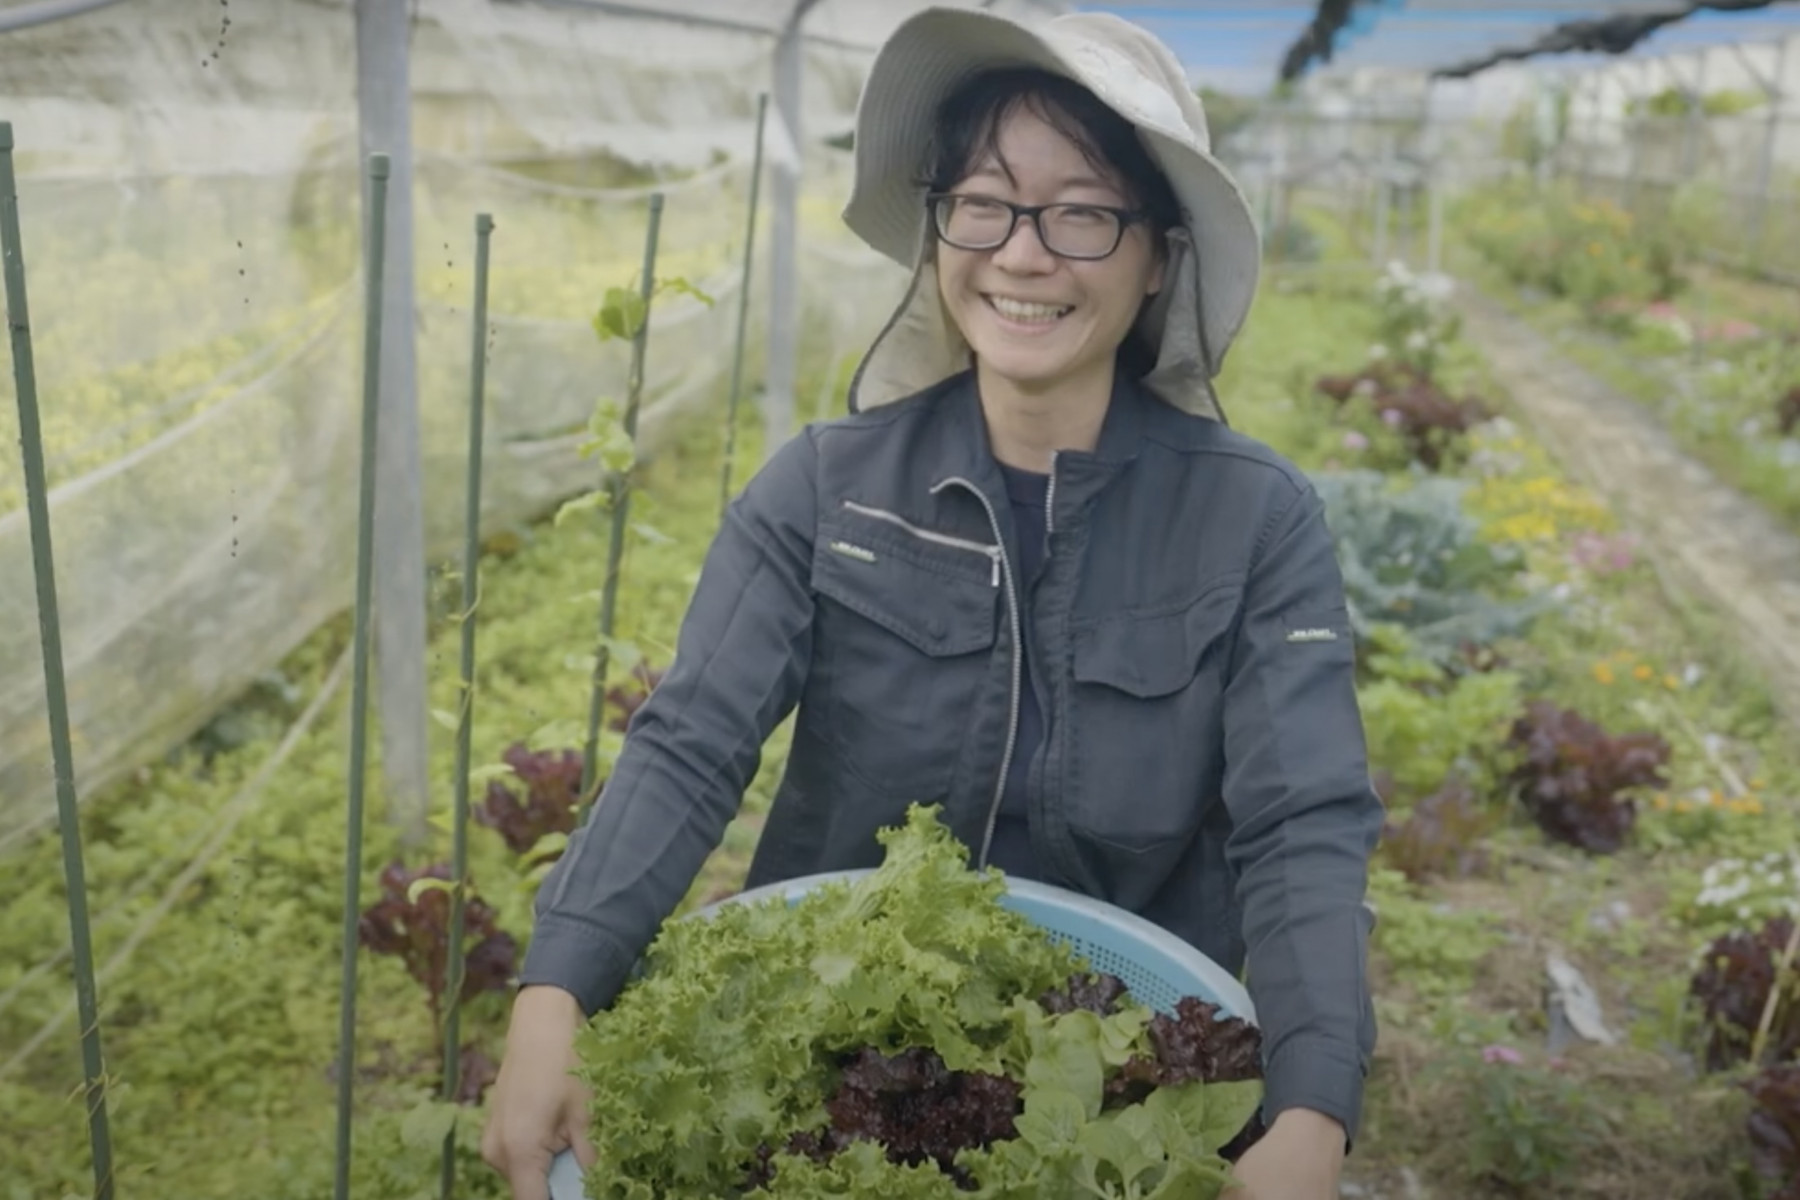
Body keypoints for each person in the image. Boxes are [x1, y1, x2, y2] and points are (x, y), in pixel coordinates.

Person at [481, 7, 1382, 1198]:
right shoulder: (826, 488)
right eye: (985, 203)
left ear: (1160, 254)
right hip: (836, 1049)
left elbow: (1301, 824)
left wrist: (1311, 1111)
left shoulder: (1251, 519)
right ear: (939, 225)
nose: (1022, 255)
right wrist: (553, 994)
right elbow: (690, 744)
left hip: (1120, 1077)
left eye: (1081, 213)